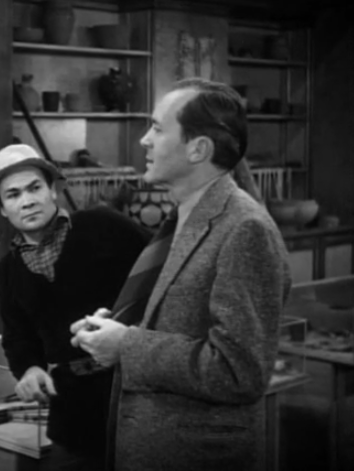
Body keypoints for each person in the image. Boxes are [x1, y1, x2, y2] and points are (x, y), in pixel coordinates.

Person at [70, 77, 291, 471]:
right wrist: (112, 332)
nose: (144, 140)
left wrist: (127, 345)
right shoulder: (183, 218)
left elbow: (238, 371)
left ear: (198, 149)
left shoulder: (245, 229)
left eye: (157, 128)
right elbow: (176, 323)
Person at [0, 144, 150, 471]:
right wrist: (30, 369)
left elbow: (163, 269)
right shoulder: (9, 269)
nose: (27, 201)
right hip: (73, 410)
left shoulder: (104, 226)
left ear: (53, 191)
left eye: (35, 188)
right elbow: (18, 336)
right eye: (13, 195)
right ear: (2, 209)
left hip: (135, 393)